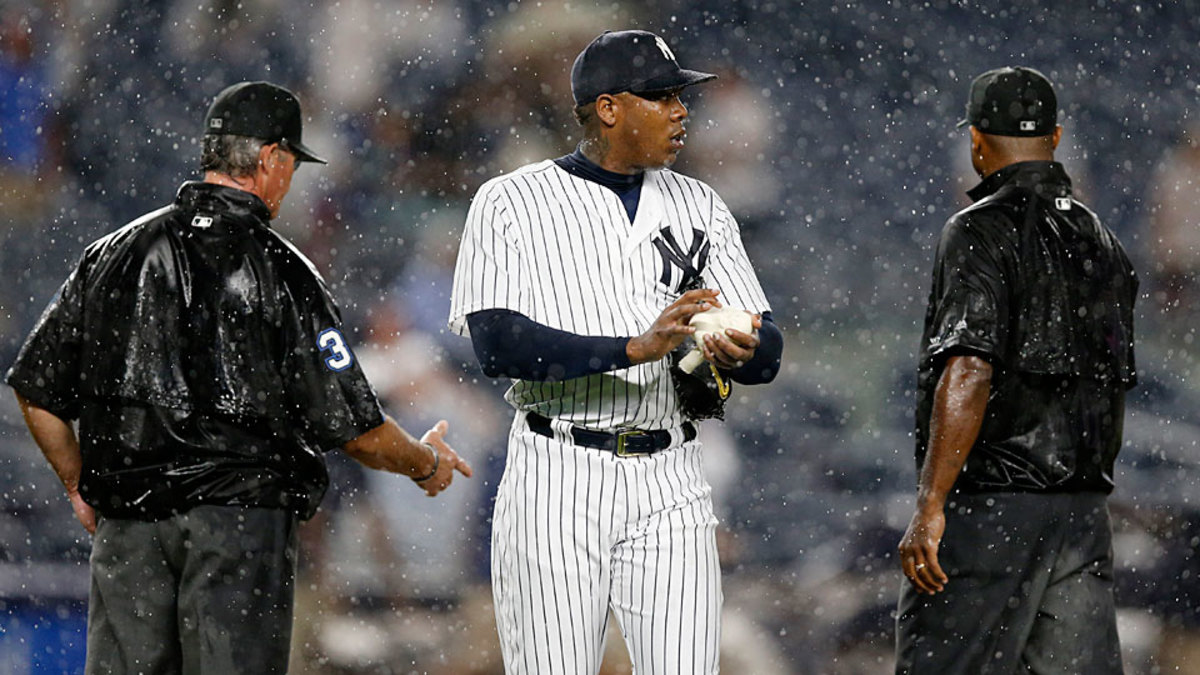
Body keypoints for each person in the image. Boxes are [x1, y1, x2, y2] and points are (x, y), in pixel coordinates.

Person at [5, 80, 472, 675]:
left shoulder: (112, 254)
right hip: (238, 532)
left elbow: (35, 387)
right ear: (272, 159)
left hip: (129, 527)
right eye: (292, 165)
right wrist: (424, 463)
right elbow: (356, 431)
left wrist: (78, 485)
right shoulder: (287, 274)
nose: (291, 179)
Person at [448, 29, 783, 674]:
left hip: (672, 471)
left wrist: (738, 345)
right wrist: (635, 347)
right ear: (608, 108)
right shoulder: (511, 199)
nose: (682, 110)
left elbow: (767, 352)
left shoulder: (701, 204)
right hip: (557, 468)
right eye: (662, 97)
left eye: (681, 97)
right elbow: (497, 344)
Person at [895, 66, 1137, 674]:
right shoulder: (1103, 240)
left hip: (995, 509)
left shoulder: (977, 229)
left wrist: (931, 503)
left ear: (977, 142)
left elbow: (971, 367)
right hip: (1082, 512)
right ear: (1055, 139)